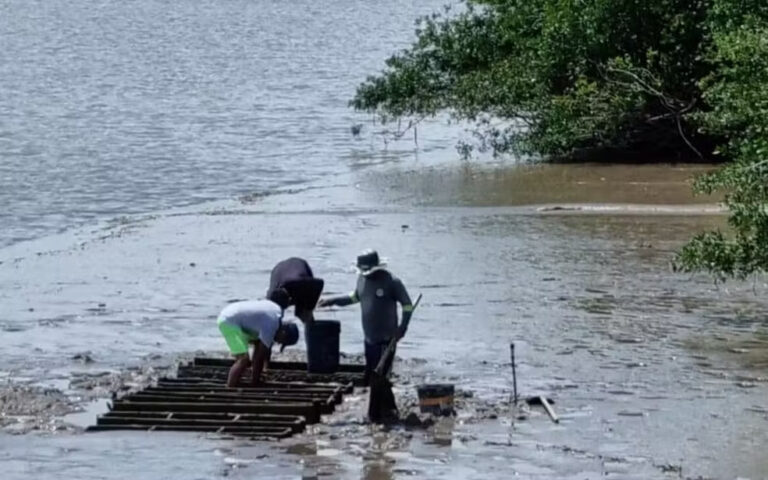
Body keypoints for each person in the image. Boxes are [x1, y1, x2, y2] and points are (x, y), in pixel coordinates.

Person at [317, 249, 413, 385]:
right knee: (370, 372)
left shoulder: (392, 282)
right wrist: (333, 300)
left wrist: (403, 327)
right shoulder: (362, 279)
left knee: (381, 377)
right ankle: (374, 400)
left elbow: (407, 305)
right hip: (369, 338)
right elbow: (355, 297)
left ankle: (382, 403)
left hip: (385, 340)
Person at [217, 289, 300, 387]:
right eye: (282, 341)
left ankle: (244, 382)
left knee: (257, 343)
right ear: (284, 332)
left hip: (231, 315)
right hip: (229, 321)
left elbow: (259, 348)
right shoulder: (272, 324)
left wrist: (255, 379)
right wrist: (255, 382)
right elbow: (259, 357)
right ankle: (230, 387)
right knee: (243, 359)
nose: (278, 343)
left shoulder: (276, 313)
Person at [267, 257, 324, 324]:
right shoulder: (272, 295)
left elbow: (319, 283)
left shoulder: (301, 284)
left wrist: (310, 306)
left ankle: (312, 329)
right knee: (274, 317)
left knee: (304, 313)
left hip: (300, 269)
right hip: (279, 270)